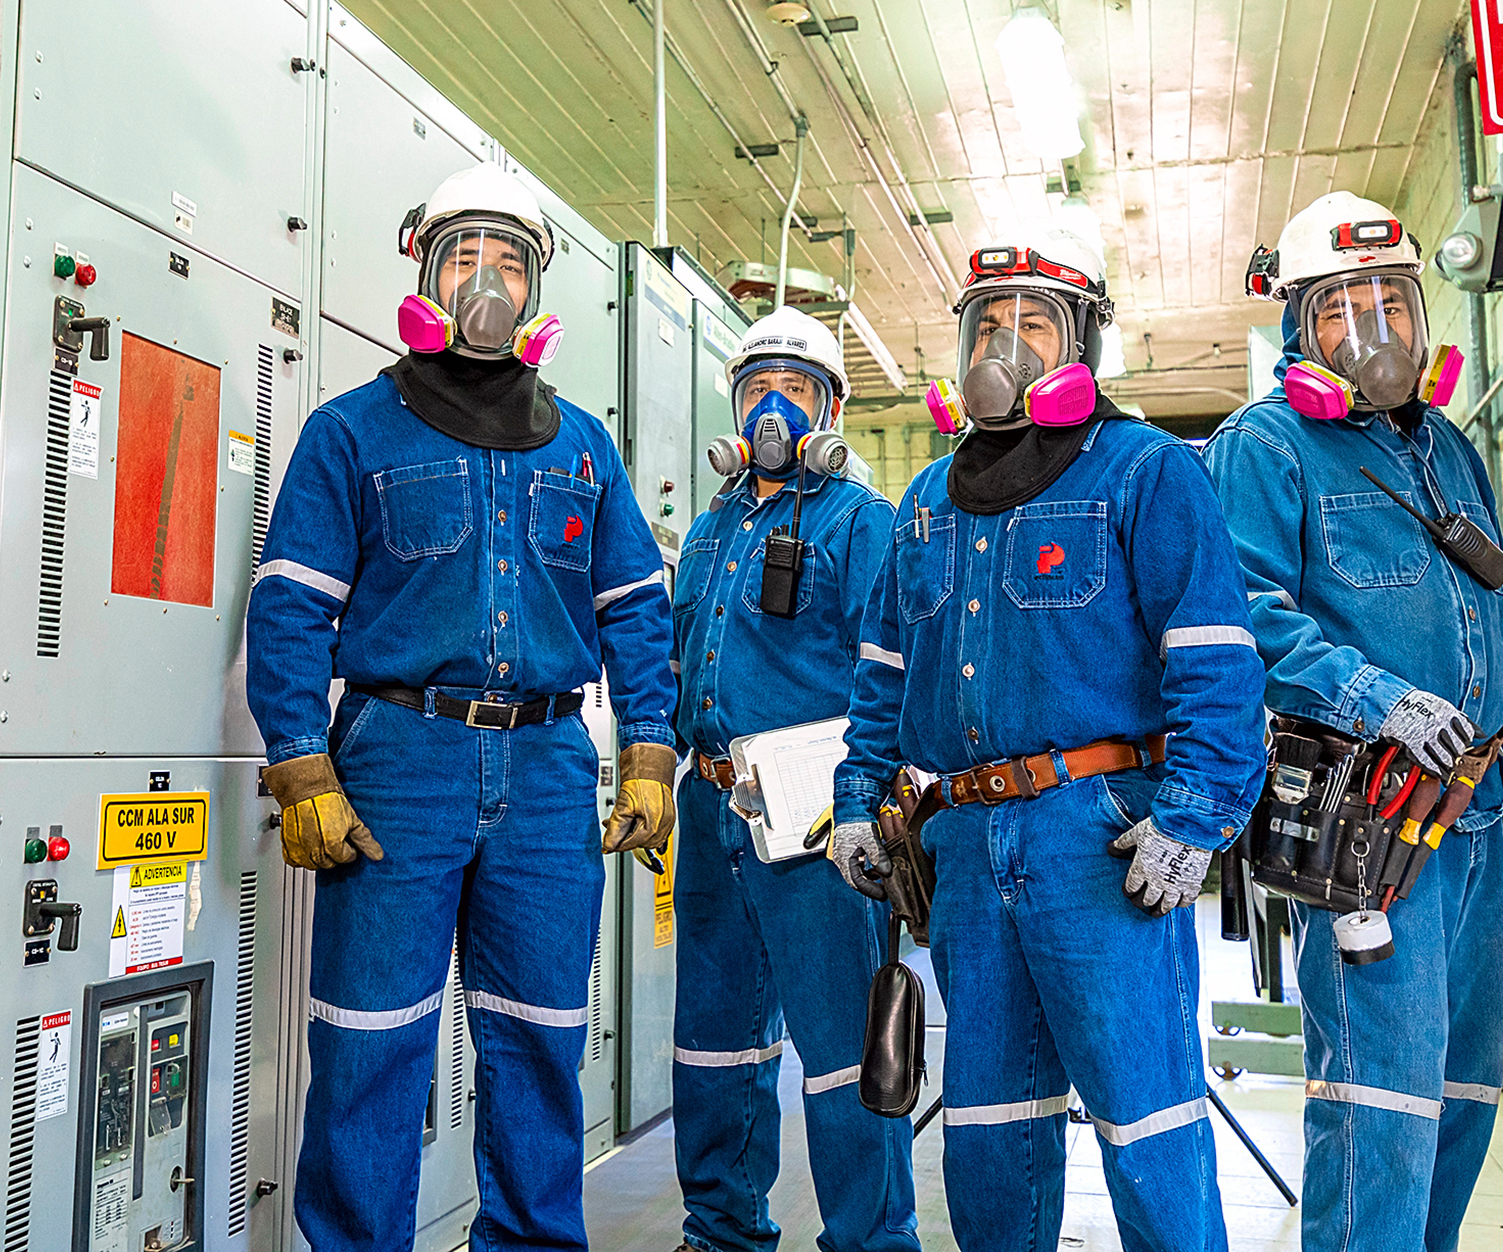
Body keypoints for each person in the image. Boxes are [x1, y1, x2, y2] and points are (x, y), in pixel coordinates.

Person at [247, 162, 680, 1252]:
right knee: (369, 1040)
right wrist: (301, 762)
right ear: (424, 276)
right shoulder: (352, 431)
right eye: (461, 259)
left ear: (535, 293)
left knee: (540, 1038)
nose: (483, 281)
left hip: (542, 766)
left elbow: (634, 611)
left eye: (507, 262)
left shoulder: (583, 444)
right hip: (396, 756)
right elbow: (290, 606)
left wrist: (647, 755)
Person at [829, 242, 1267, 1252]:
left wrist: (1193, 817)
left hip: (1094, 837)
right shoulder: (926, 502)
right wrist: (855, 795)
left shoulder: (1147, 470)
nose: (1001, 345)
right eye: (985, 325)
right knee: (987, 1130)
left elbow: (1214, 660)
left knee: (1144, 1118)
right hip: (966, 844)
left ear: (1081, 344)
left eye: (1031, 324)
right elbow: (881, 678)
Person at [1202, 191, 1503, 1252]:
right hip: (1368, 828)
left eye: (1392, 297)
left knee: (1461, 1092)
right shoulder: (1264, 445)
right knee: (1376, 1101)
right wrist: (1373, 695)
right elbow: (1240, 611)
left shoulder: (1448, 449)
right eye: (1341, 307)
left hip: (1474, 823)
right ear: (1298, 327)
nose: (1373, 327)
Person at [668, 306, 918, 1252]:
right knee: (715, 1044)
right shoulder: (709, 530)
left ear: (831, 412)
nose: (773, 411)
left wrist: (873, 804)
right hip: (713, 801)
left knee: (839, 1050)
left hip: (816, 814)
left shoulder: (862, 523)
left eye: (797, 391)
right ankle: (721, 1232)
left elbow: (890, 674)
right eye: (756, 390)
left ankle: (870, 1239)